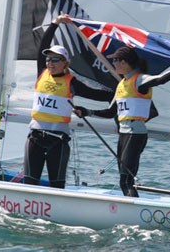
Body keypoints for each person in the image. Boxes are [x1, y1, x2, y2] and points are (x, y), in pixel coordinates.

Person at [75, 46, 170, 197]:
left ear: (125, 62)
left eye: (116, 60)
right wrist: (86, 112)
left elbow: (159, 79)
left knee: (127, 179)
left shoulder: (139, 79)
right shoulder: (121, 84)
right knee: (124, 179)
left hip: (136, 134)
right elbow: (110, 112)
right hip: (124, 134)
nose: (113, 63)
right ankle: (131, 206)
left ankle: (134, 211)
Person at [24, 14, 113, 188]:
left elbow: (99, 95)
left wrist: (121, 89)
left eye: (55, 59)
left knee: (57, 184)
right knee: (29, 182)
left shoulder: (72, 82)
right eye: (49, 59)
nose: (50, 62)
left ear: (65, 63)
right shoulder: (42, 72)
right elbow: (42, 45)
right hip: (35, 138)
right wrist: (55, 24)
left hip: (57, 141)